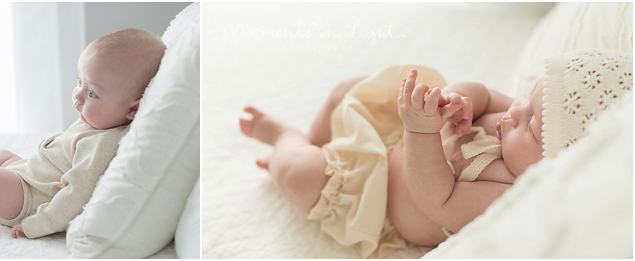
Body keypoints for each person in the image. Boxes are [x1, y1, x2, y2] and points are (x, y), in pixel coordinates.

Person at [239, 49, 631, 257]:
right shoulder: (518, 118)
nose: (514, 110)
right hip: (394, 136)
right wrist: (461, 98)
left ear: (551, 168)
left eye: (528, 124)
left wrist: (420, 130)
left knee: (301, 172)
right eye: (529, 96)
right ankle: (317, 136)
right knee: (352, 87)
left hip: (373, 195)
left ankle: (284, 139)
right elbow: (486, 94)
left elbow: (435, 200)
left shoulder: (506, 190)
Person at [0, 28, 166, 239]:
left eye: (92, 93)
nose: (78, 97)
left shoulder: (104, 143)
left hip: (30, 200)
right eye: (79, 82)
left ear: (133, 109)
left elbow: (76, 194)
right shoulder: (101, 120)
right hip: (29, 177)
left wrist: (36, 225)